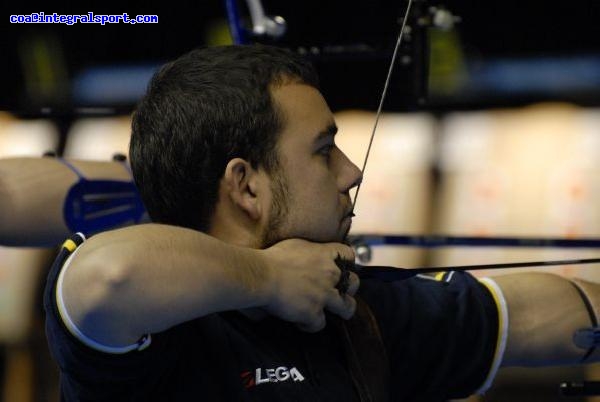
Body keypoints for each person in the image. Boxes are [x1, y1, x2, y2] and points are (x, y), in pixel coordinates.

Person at [44, 45, 600, 401]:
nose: (352, 172)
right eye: (323, 151)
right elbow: (108, 275)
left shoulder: (355, 311)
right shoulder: (150, 336)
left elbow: (540, 314)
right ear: (246, 186)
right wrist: (269, 278)